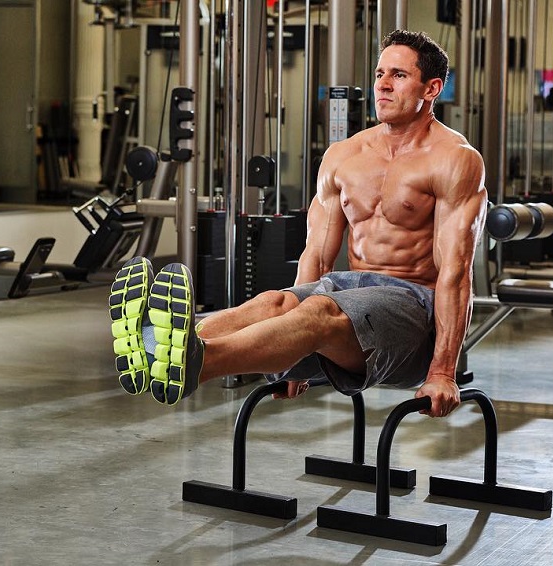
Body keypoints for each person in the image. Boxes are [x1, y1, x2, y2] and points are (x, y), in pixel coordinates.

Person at [109, 29, 487, 418]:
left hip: (412, 311)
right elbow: (316, 256)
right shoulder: (344, 155)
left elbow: (455, 274)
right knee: (275, 301)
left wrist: (443, 369)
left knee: (316, 311)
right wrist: (287, 356)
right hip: (350, 292)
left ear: (431, 88)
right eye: (379, 74)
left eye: (399, 75)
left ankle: (194, 362)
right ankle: (154, 343)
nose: (383, 86)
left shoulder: (454, 159)